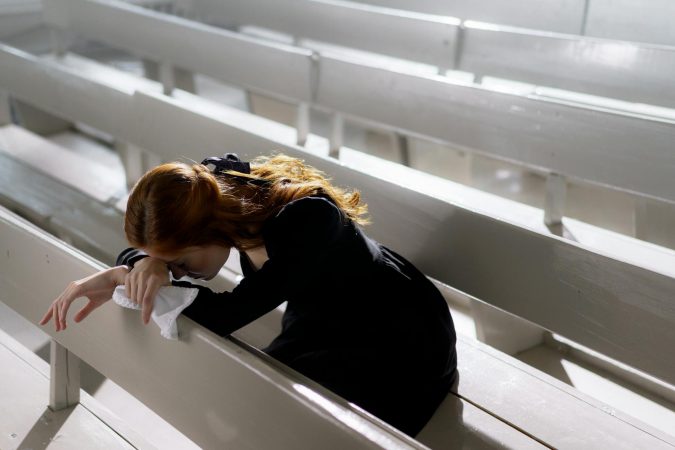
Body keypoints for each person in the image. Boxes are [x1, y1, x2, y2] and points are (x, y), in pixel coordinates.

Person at [40, 153, 457, 437]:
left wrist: (121, 278)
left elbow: (227, 314)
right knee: (257, 403)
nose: (179, 273)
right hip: (319, 318)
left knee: (292, 423)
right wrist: (141, 264)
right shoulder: (211, 199)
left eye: (180, 261)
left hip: (395, 336)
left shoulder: (307, 219)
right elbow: (161, 251)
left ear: (208, 232)